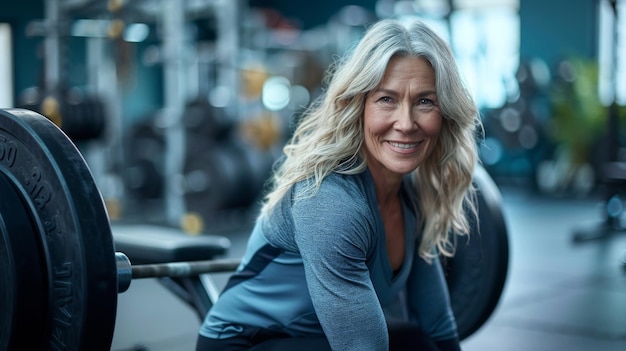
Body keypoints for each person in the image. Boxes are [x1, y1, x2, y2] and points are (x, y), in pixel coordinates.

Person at [196, 17, 480, 351]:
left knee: (417, 344)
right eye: (386, 99)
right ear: (358, 106)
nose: (405, 123)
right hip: (248, 343)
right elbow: (363, 345)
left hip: (317, 338)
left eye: (424, 101)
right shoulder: (331, 201)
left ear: (444, 111)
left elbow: (436, 321)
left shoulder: (412, 196)